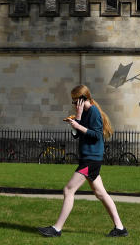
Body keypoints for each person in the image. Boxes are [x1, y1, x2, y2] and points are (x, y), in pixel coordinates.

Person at [38, 85, 128, 238]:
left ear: (83, 99)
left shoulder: (93, 111)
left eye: (75, 101)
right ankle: (120, 229)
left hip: (91, 160)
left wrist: (78, 124)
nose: (74, 104)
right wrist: (76, 120)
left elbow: (96, 135)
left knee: (68, 190)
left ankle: (57, 229)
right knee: (101, 193)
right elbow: (76, 136)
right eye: (73, 102)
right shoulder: (84, 112)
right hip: (89, 159)